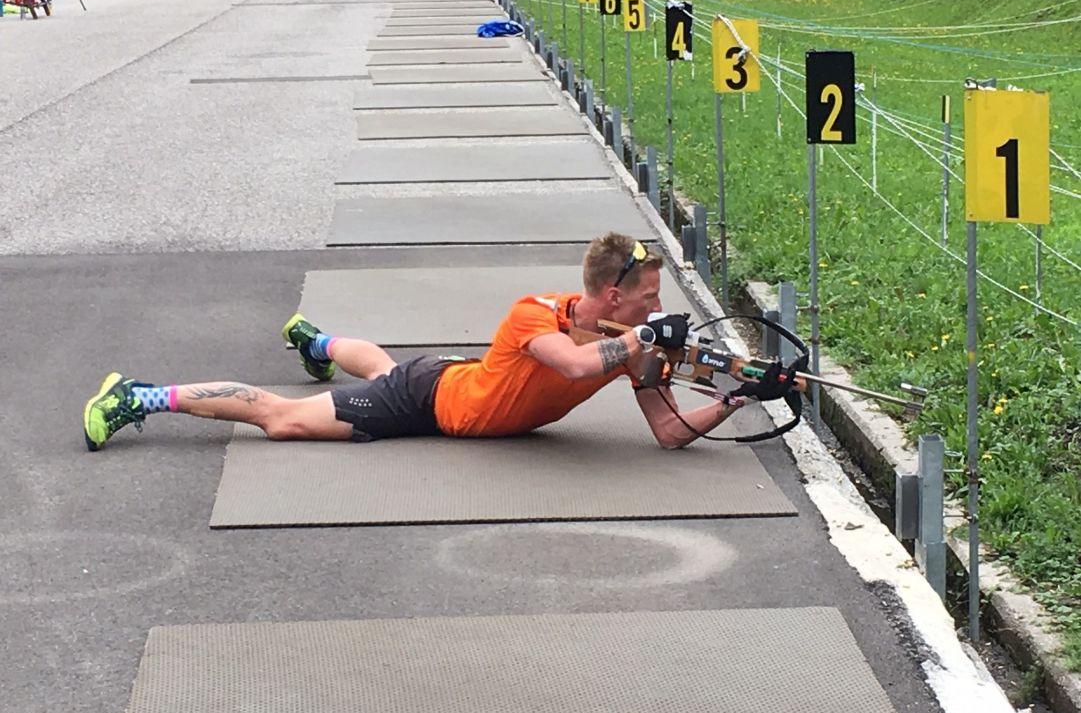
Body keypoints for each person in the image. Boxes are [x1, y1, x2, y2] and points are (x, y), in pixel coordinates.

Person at [83, 233, 790, 453]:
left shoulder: (631, 343)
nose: (657, 309)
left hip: (450, 383)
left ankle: (318, 342)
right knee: (285, 418)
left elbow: (667, 431)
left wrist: (735, 398)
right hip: (431, 399)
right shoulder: (534, 315)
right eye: (646, 298)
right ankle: (140, 394)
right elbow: (575, 363)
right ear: (612, 295)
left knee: (384, 367)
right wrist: (642, 338)